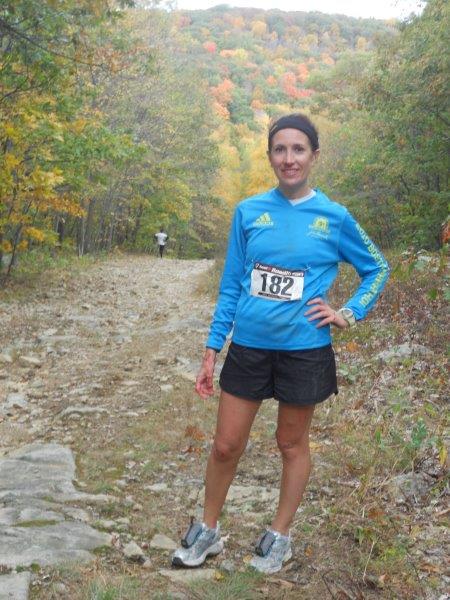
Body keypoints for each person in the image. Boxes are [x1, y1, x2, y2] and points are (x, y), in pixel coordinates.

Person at [171, 113, 390, 574]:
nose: (289, 158)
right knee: (225, 445)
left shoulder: (334, 217)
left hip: (304, 350)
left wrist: (348, 312)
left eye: (298, 149)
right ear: (270, 156)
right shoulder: (249, 212)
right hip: (249, 347)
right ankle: (208, 529)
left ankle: (280, 535)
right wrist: (213, 346)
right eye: (280, 149)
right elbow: (231, 285)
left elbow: (377, 268)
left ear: (314, 155)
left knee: (291, 444)